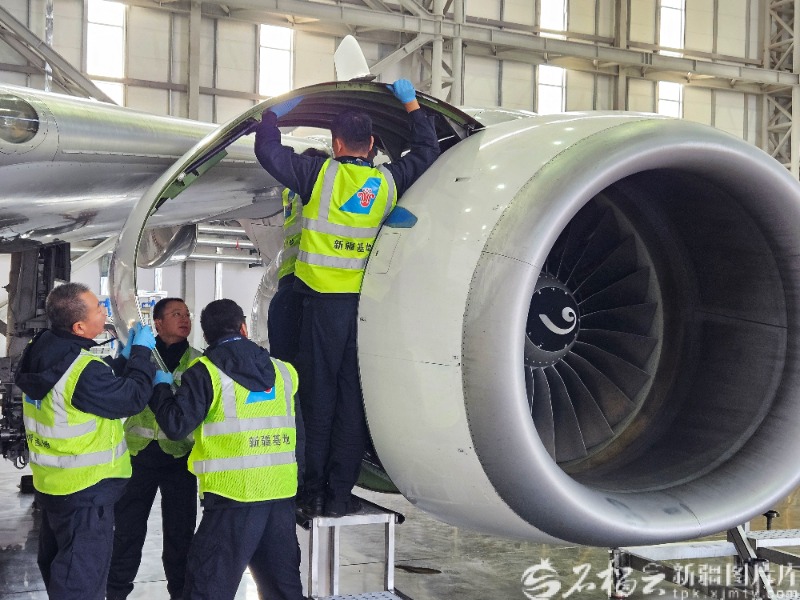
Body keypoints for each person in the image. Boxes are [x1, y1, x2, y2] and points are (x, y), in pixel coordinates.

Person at [253, 79, 440, 517]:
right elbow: (427, 151)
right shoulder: (388, 182)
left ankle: (311, 492)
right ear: (371, 145)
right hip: (366, 311)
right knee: (352, 402)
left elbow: (268, 153)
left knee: (317, 401)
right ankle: (339, 495)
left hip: (321, 305)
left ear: (336, 144)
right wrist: (412, 105)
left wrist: (272, 117)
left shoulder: (318, 176)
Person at [149, 299, 303, 600]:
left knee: (207, 586)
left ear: (206, 335)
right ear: (243, 328)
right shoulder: (284, 371)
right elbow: (301, 435)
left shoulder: (205, 372)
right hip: (281, 494)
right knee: (282, 587)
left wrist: (160, 387)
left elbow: (176, 425)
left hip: (232, 496)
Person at [15, 282, 158, 600]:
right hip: (87, 493)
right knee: (81, 581)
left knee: (61, 570)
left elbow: (88, 390)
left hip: (55, 486)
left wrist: (121, 363)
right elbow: (131, 399)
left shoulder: (43, 351)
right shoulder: (82, 370)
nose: (104, 311)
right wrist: (141, 356)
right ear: (79, 327)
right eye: (98, 308)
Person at [106, 298, 202, 600]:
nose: (185, 319)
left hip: (180, 458)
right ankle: (115, 593)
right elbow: (117, 390)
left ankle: (180, 593)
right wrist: (126, 359)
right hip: (139, 456)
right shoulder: (141, 357)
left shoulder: (198, 362)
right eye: (176, 314)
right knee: (127, 532)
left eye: (187, 314)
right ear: (157, 323)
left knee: (180, 535)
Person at [267, 147, 330, 364]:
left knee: (284, 361)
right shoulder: (316, 188)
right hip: (306, 282)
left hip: (286, 283)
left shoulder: (290, 192)